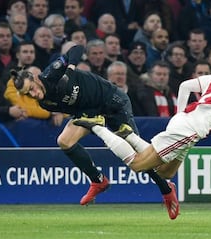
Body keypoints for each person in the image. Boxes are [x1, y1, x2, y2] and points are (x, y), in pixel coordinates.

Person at [10, 44, 179, 220]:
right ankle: (98, 180)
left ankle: (167, 190)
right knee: (64, 141)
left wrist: (70, 69)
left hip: (113, 102)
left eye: (32, 88)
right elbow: (75, 109)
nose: (34, 94)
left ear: (36, 79)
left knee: (139, 158)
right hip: (90, 112)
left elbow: (77, 48)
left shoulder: (53, 72)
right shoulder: (45, 103)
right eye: (28, 94)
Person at [72, 56, 211, 192]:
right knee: (138, 165)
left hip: (186, 124)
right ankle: (97, 125)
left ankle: (128, 134)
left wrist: (180, 113)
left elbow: (185, 86)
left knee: (166, 173)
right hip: (189, 130)